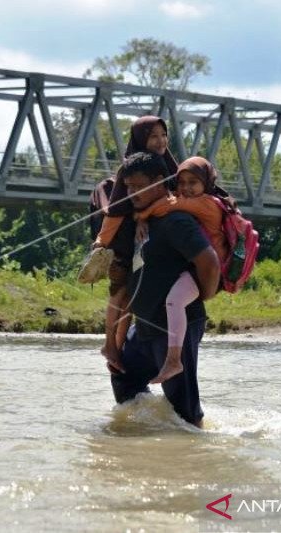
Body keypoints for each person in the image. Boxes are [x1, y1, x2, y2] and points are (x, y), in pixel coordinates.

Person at [108, 152, 220, 428]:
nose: (131, 192)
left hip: (174, 329)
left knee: (185, 409)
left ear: (159, 182)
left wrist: (203, 295)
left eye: (138, 186)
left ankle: (193, 447)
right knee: (123, 373)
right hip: (145, 328)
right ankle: (147, 431)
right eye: (128, 187)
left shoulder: (177, 220)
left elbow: (209, 262)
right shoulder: (141, 220)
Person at [88, 116, 180, 372]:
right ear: (141, 139)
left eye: (163, 135)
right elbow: (116, 210)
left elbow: (173, 194)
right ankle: (110, 345)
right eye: (153, 136)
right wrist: (101, 244)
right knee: (120, 293)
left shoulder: (166, 165)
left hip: (145, 243)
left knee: (131, 297)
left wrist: (145, 216)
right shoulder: (129, 167)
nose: (160, 141)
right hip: (124, 243)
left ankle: (116, 349)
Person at [134, 156, 230, 384]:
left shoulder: (207, 203)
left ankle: (174, 360)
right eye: (181, 182)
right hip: (199, 269)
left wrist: (141, 216)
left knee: (174, 302)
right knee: (174, 300)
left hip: (210, 271)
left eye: (193, 182)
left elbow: (169, 204)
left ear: (206, 184)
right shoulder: (199, 200)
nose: (185, 188)